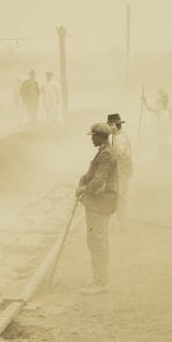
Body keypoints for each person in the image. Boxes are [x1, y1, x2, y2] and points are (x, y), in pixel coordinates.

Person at [76, 122, 119, 294]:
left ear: (100, 136)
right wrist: (84, 178)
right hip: (98, 202)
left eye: (93, 136)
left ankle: (100, 283)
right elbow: (93, 174)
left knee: (97, 241)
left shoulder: (106, 155)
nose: (91, 139)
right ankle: (99, 279)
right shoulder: (103, 152)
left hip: (101, 203)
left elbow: (100, 181)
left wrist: (83, 189)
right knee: (95, 240)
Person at [107, 112, 134, 230]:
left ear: (114, 125)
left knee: (119, 197)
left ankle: (122, 224)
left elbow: (117, 152)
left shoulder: (119, 137)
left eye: (110, 125)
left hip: (122, 169)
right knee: (121, 196)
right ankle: (123, 223)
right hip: (125, 168)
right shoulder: (120, 134)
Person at [142, 87, 172, 163]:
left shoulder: (171, 109)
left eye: (165, 100)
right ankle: (163, 165)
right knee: (162, 151)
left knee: (170, 150)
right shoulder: (159, 109)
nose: (163, 101)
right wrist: (145, 101)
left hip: (170, 133)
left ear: (167, 101)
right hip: (162, 133)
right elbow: (149, 108)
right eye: (162, 100)